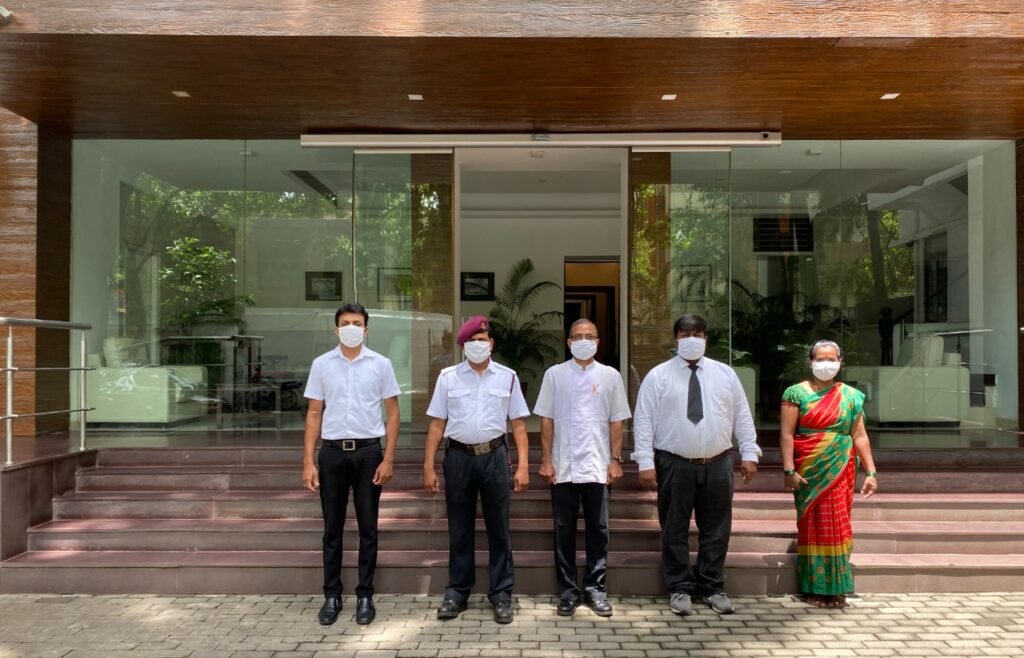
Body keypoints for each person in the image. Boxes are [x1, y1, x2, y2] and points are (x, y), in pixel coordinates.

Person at [633, 314, 761, 616]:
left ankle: (713, 586)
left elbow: (742, 414)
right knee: (674, 528)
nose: (691, 339)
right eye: (685, 334)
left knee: (716, 528)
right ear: (675, 338)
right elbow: (644, 420)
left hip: (718, 462)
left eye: (698, 334)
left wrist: (750, 452)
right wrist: (644, 461)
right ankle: (679, 587)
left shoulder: (725, 374)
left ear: (706, 338)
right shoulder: (658, 376)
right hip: (674, 463)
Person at [423, 315, 531, 624]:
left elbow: (518, 425)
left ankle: (501, 594)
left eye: (482, 341)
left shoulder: (507, 377)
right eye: (471, 342)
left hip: (495, 457)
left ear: (491, 344)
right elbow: (437, 424)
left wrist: (524, 466)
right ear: (463, 346)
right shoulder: (448, 378)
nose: (477, 345)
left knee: (499, 529)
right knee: (459, 529)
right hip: (458, 458)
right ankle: (457, 592)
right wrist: (428, 465)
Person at [302, 303, 401, 626]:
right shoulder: (322, 364)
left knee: (368, 528)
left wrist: (388, 458)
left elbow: (393, 414)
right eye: (345, 323)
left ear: (366, 329)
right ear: (336, 329)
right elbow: (314, 412)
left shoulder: (381, 364)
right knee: (332, 529)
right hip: (331, 454)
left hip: (368, 453)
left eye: (357, 323)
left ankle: (365, 595)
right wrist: (308, 460)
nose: (351, 328)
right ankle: (332, 595)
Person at [535, 319, 631, 617]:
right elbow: (546, 420)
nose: (583, 341)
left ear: (598, 342)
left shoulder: (610, 376)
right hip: (562, 467)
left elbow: (617, 421)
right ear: (568, 342)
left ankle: (595, 589)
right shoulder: (554, 375)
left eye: (589, 336)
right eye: (578, 336)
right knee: (563, 531)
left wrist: (616, 460)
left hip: (598, 466)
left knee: (598, 531)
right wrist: (546, 460)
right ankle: (567, 591)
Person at [779, 339, 878, 609]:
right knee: (813, 525)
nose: (826, 364)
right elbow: (786, 435)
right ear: (811, 362)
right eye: (820, 359)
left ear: (840, 362)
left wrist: (870, 471)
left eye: (831, 359)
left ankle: (836, 588)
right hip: (809, 469)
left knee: (838, 523)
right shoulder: (795, 393)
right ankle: (815, 587)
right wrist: (788, 470)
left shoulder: (851, 396)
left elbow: (859, 436)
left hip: (841, 468)